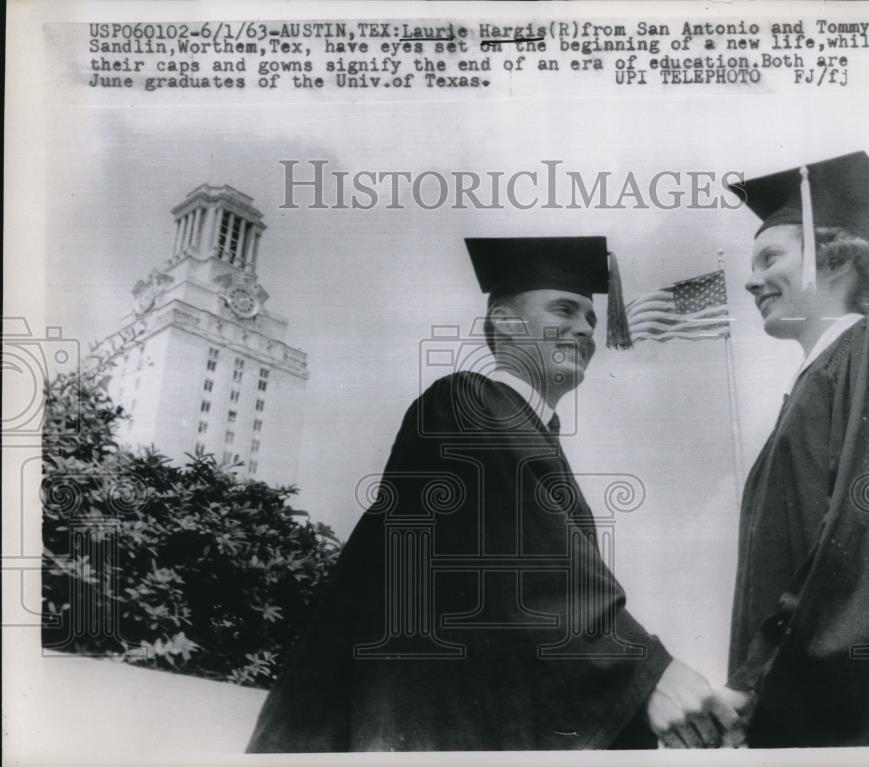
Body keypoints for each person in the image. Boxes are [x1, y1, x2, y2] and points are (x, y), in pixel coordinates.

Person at [246, 236, 740, 751]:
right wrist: (644, 668)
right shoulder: (465, 402)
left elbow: (517, 622)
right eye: (564, 309)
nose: (583, 330)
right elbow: (529, 567)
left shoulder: (526, 432)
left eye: (591, 320)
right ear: (504, 321)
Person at [718, 152, 869, 746]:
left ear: (837, 256)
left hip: (846, 698)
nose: (750, 280)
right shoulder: (822, 373)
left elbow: (864, 533)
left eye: (770, 257)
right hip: (799, 690)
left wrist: (754, 678)